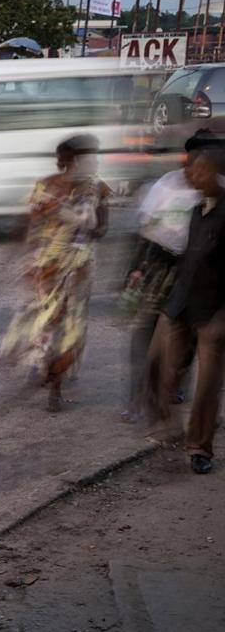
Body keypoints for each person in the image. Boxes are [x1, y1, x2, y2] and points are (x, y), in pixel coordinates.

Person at [0, 135, 112, 413]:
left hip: (77, 270)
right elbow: (25, 223)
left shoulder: (96, 188)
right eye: (91, 157)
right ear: (74, 161)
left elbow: (102, 228)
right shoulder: (45, 187)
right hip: (44, 269)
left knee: (69, 328)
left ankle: (56, 386)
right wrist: (5, 265)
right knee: (45, 323)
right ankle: (43, 367)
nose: (95, 162)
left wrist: (88, 223)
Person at [120, 130, 217, 422]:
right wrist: (134, 269)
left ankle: (174, 385)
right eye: (193, 157)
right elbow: (143, 229)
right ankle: (137, 397)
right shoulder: (166, 185)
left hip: (198, 275)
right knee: (146, 332)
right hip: (160, 268)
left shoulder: (217, 189)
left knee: (187, 340)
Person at [145, 144, 225, 475]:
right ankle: (168, 428)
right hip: (180, 302)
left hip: (214, 310)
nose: (193, 177)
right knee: (155, 365)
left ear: (217, 174)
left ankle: (199, 448)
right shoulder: (196, 210)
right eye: (190, 171)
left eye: (200, 171)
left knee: (207, 382)